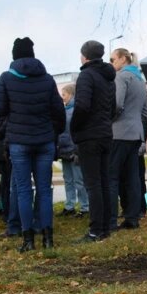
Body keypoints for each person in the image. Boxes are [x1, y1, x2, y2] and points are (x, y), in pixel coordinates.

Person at [0, 37, 65, 252]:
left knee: (24, 189)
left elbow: (0, 109)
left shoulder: (6, 78)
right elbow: (58, 112)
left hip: (19, 141)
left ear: (14, 55)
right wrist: (53, 132)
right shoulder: (47, 79)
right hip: (44, 140)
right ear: (33, 54)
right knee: (44, 189)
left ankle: (28, 240)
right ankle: (48, 238)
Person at [71, 40, 117, 242]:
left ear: (85, 56)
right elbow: (113, 108)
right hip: (106, 133)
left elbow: (81, 106)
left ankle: (95, 230)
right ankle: (106, 226)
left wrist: (75, 127)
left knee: (93, 184)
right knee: (104, 181)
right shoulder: (109, 78)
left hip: (89, 135)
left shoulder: (86, 75)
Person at [108, 47, 147, 231]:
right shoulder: (140, 80)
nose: (111, 63)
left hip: (119, 132)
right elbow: (146, 112)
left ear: (123, 59)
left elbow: (117, 104)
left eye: (112, 59)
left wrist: (108, 119)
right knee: (132, 177)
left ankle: (110, 220)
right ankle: (132, 217)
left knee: (112, 177)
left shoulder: (121, 77)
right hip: (136, 133)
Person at [57, 84, 89, 218]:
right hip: (64, 149)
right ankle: (69, 205)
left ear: (70, 95)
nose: (62, 97)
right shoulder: (65, 110)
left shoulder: (75, 110)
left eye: (64, 95)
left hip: (73, 149)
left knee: (78, 180)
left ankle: (84, 206)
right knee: (68, 179)